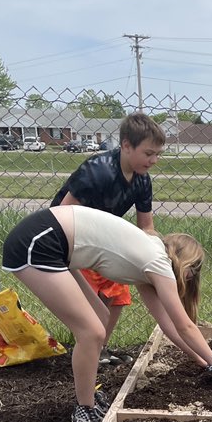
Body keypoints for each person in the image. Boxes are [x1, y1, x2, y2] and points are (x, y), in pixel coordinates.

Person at [1, 206, 212, 422]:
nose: (191, 278)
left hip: (55, 244)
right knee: (91, 331)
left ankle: (88, 398)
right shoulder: (157, 262)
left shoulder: (149, 261)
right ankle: (84, 409)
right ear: (187, 267)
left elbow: (168, 325)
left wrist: (200, 360)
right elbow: (185, 325)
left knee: (101, 319)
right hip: (39, 241)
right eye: (194, 272)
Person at [51, 112, 166, 365]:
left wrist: (159, 252)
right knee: (91, 301)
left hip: (102, 239)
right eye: (149, 153)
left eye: (158, 154)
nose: (154, 160)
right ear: (126, 145)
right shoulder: (97, 171)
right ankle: (88, 348)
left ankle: (100, 348)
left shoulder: (142, 181)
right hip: (71, 240)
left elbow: (146, 226)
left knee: (117, 291)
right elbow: (62, 214)